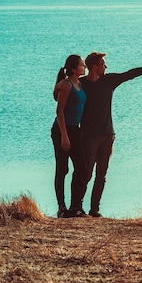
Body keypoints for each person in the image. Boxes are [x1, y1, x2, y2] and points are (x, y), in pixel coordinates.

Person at [58, 52, 142, 218]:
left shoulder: (109, 81)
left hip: (108, 135)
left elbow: (130, 74)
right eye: (103, 64)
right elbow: (63, 94)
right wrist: (58, 85)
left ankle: (94, 209)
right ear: (94, 67)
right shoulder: (81, 84)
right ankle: (76, 206)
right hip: (88, 136)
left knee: (101, 175)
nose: (106, 66)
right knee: (85, 173)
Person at [51, 55, 87, 218]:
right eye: (81, 64)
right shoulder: (66, 85)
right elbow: (59, 111)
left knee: (81, 168)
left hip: (75, 129)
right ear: (74, 68)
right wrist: (64, 136)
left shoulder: (79, 83)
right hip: (62, 129)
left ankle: (75, 206)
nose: (84, 66)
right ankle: (62, 207)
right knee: (62, 168)